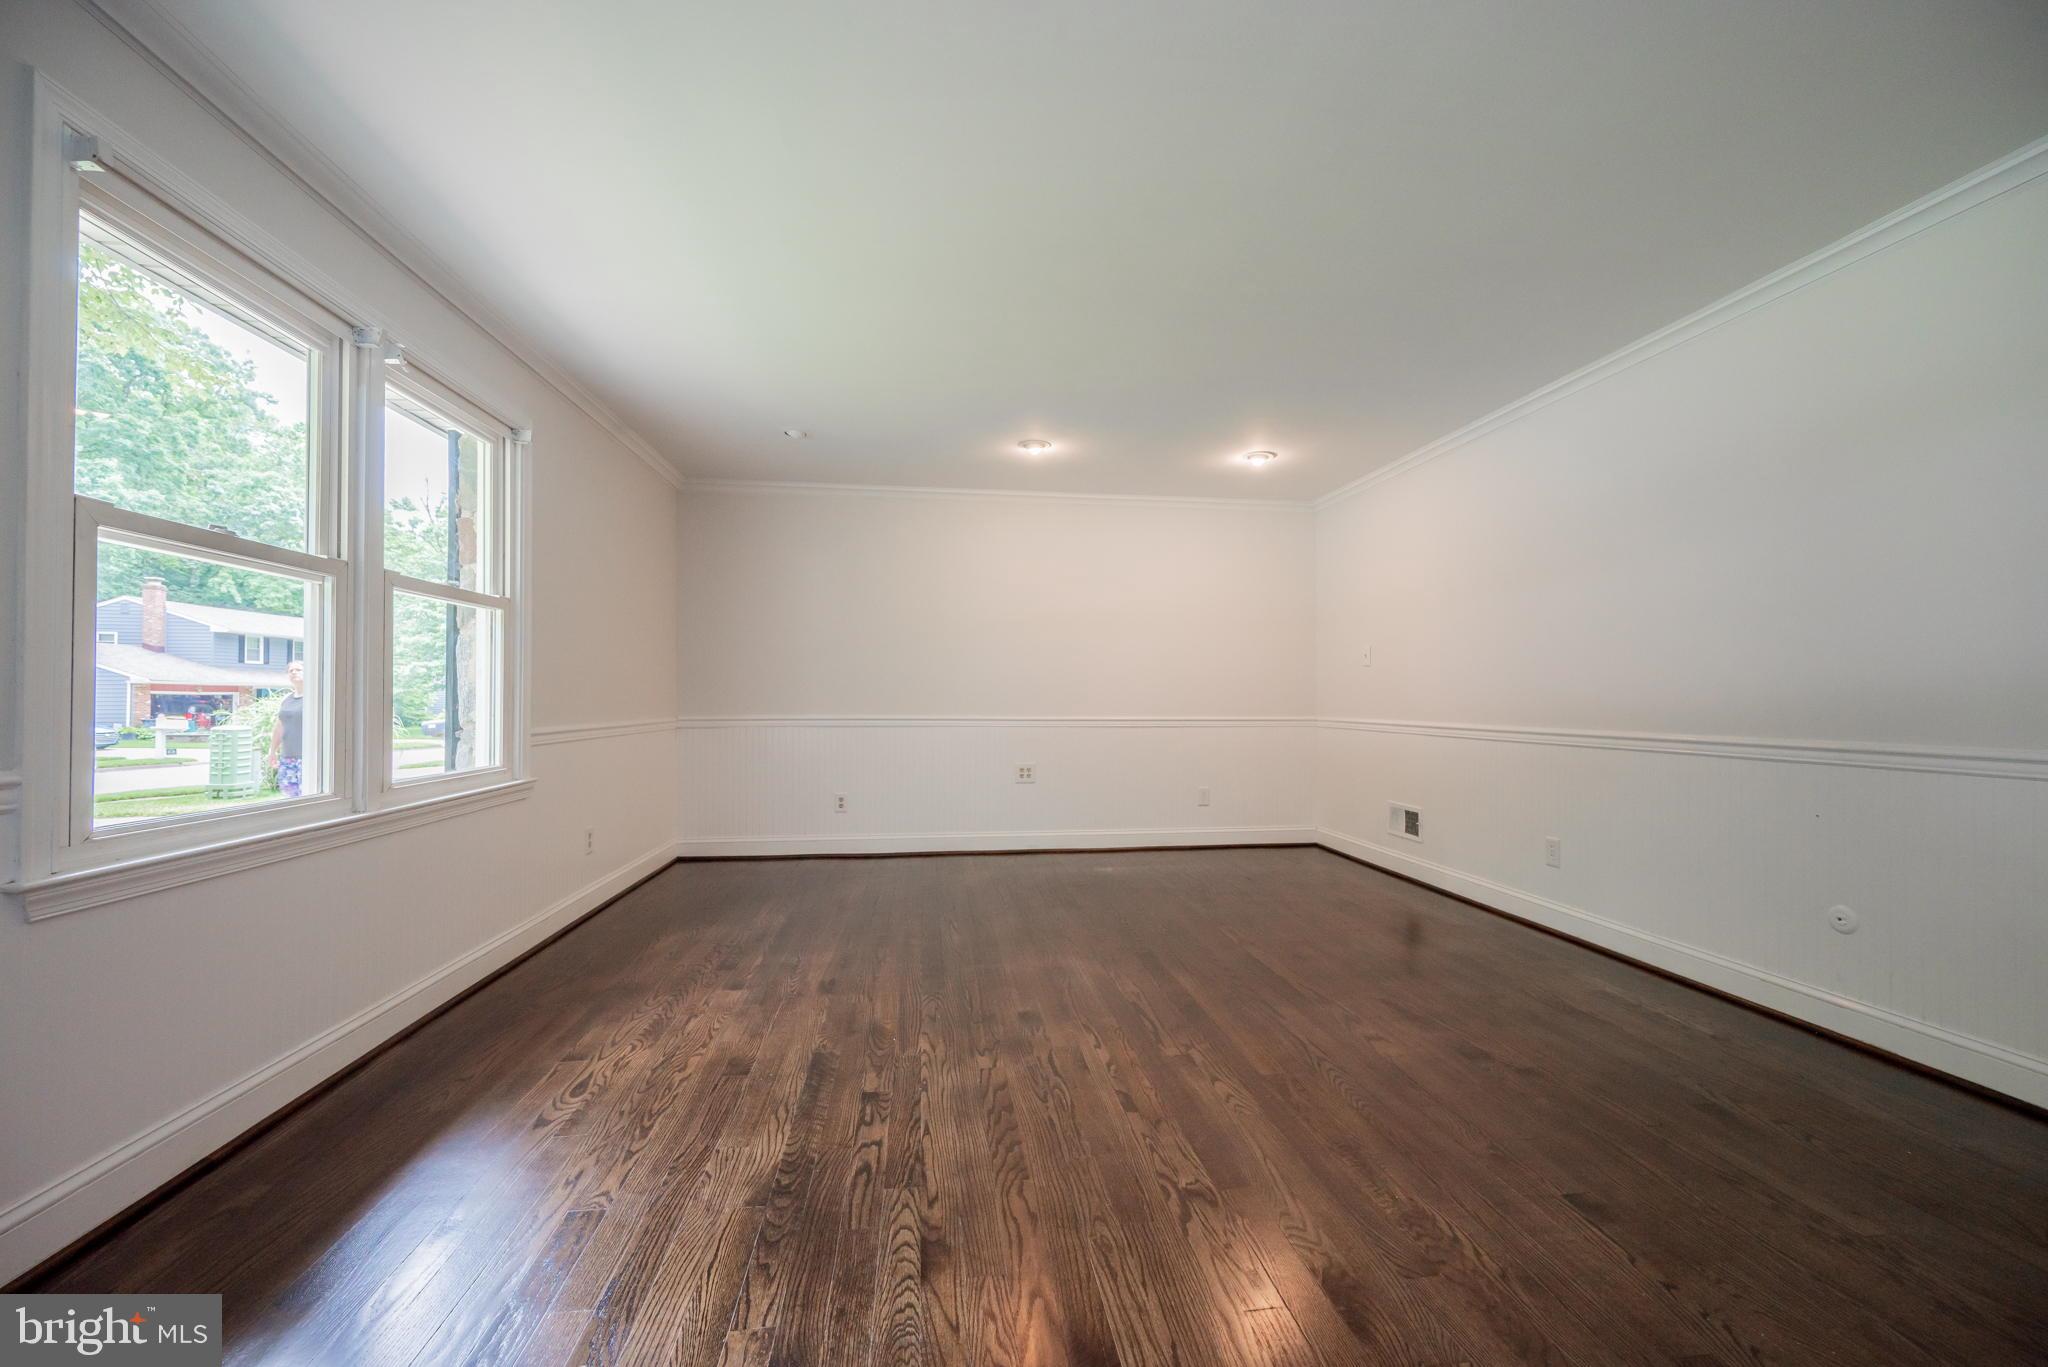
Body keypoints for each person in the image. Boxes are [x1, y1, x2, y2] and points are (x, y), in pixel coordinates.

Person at [270, 660, 306, 798]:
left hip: (306, 759)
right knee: (289, 798)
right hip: (288, 759)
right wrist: (272, 751)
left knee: (306, 799)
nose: (294, 672)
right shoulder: (287, 699)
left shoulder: (314, 698)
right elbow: (279, 726)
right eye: (290, 670)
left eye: (298, 669)